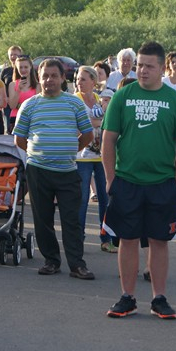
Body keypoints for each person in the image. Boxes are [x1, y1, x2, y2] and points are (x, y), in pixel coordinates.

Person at [102, 41, 176, 320]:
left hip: (162, 182)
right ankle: (127, 297)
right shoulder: (122, 96)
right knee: (127, 239)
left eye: (149, 66)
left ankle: (159, 298)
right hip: (127, 181)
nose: (142, 70)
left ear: (162, 68)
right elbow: (108, 140)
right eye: (140, 65)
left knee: (159, 240)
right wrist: (110, 179)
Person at [13, 59, 95, 280]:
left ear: (62, 78)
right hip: (38, 170)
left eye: (54, 76)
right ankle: (51, 261)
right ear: (39, 78)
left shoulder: (74, 103)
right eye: (45, 76)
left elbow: (88, 135)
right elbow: (19, 139)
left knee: (71, 220)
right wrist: (38, 152)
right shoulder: (29, 105)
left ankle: (77, 265)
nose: (49, 80)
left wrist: (68, 150)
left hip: (67, 171)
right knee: (43, 219)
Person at [74, 65, 116, 253]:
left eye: (83, 79)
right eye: (77, 79)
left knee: (106, 198)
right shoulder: (74, 100)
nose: (79, 82)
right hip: (81, 156)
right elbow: (80, 123)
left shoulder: (101, 99)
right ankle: (78, 238)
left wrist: (94, 122)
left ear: (93, 81)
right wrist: (96, 122)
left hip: (101, 156)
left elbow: (106, 122)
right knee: (82, 200)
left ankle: (106, 239)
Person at [7, 54, 38, 135]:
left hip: (32, 119)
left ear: (30, 67)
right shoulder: (12, 85)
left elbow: (37, 105)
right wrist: (18, 90)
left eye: (25, 67)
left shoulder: (37, 86)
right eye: (20, 67)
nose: (23, 70)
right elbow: (12, 106)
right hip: (16, 118)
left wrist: (20, 105)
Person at [0, 45, 23, 129]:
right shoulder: (5, 71)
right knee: (10, 129)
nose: (13, 57)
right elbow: (0, 86)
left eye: (15, 54)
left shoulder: (25, 70)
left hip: (22, 103)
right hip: (8, 106)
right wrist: (4, 98)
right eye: (11, 55)